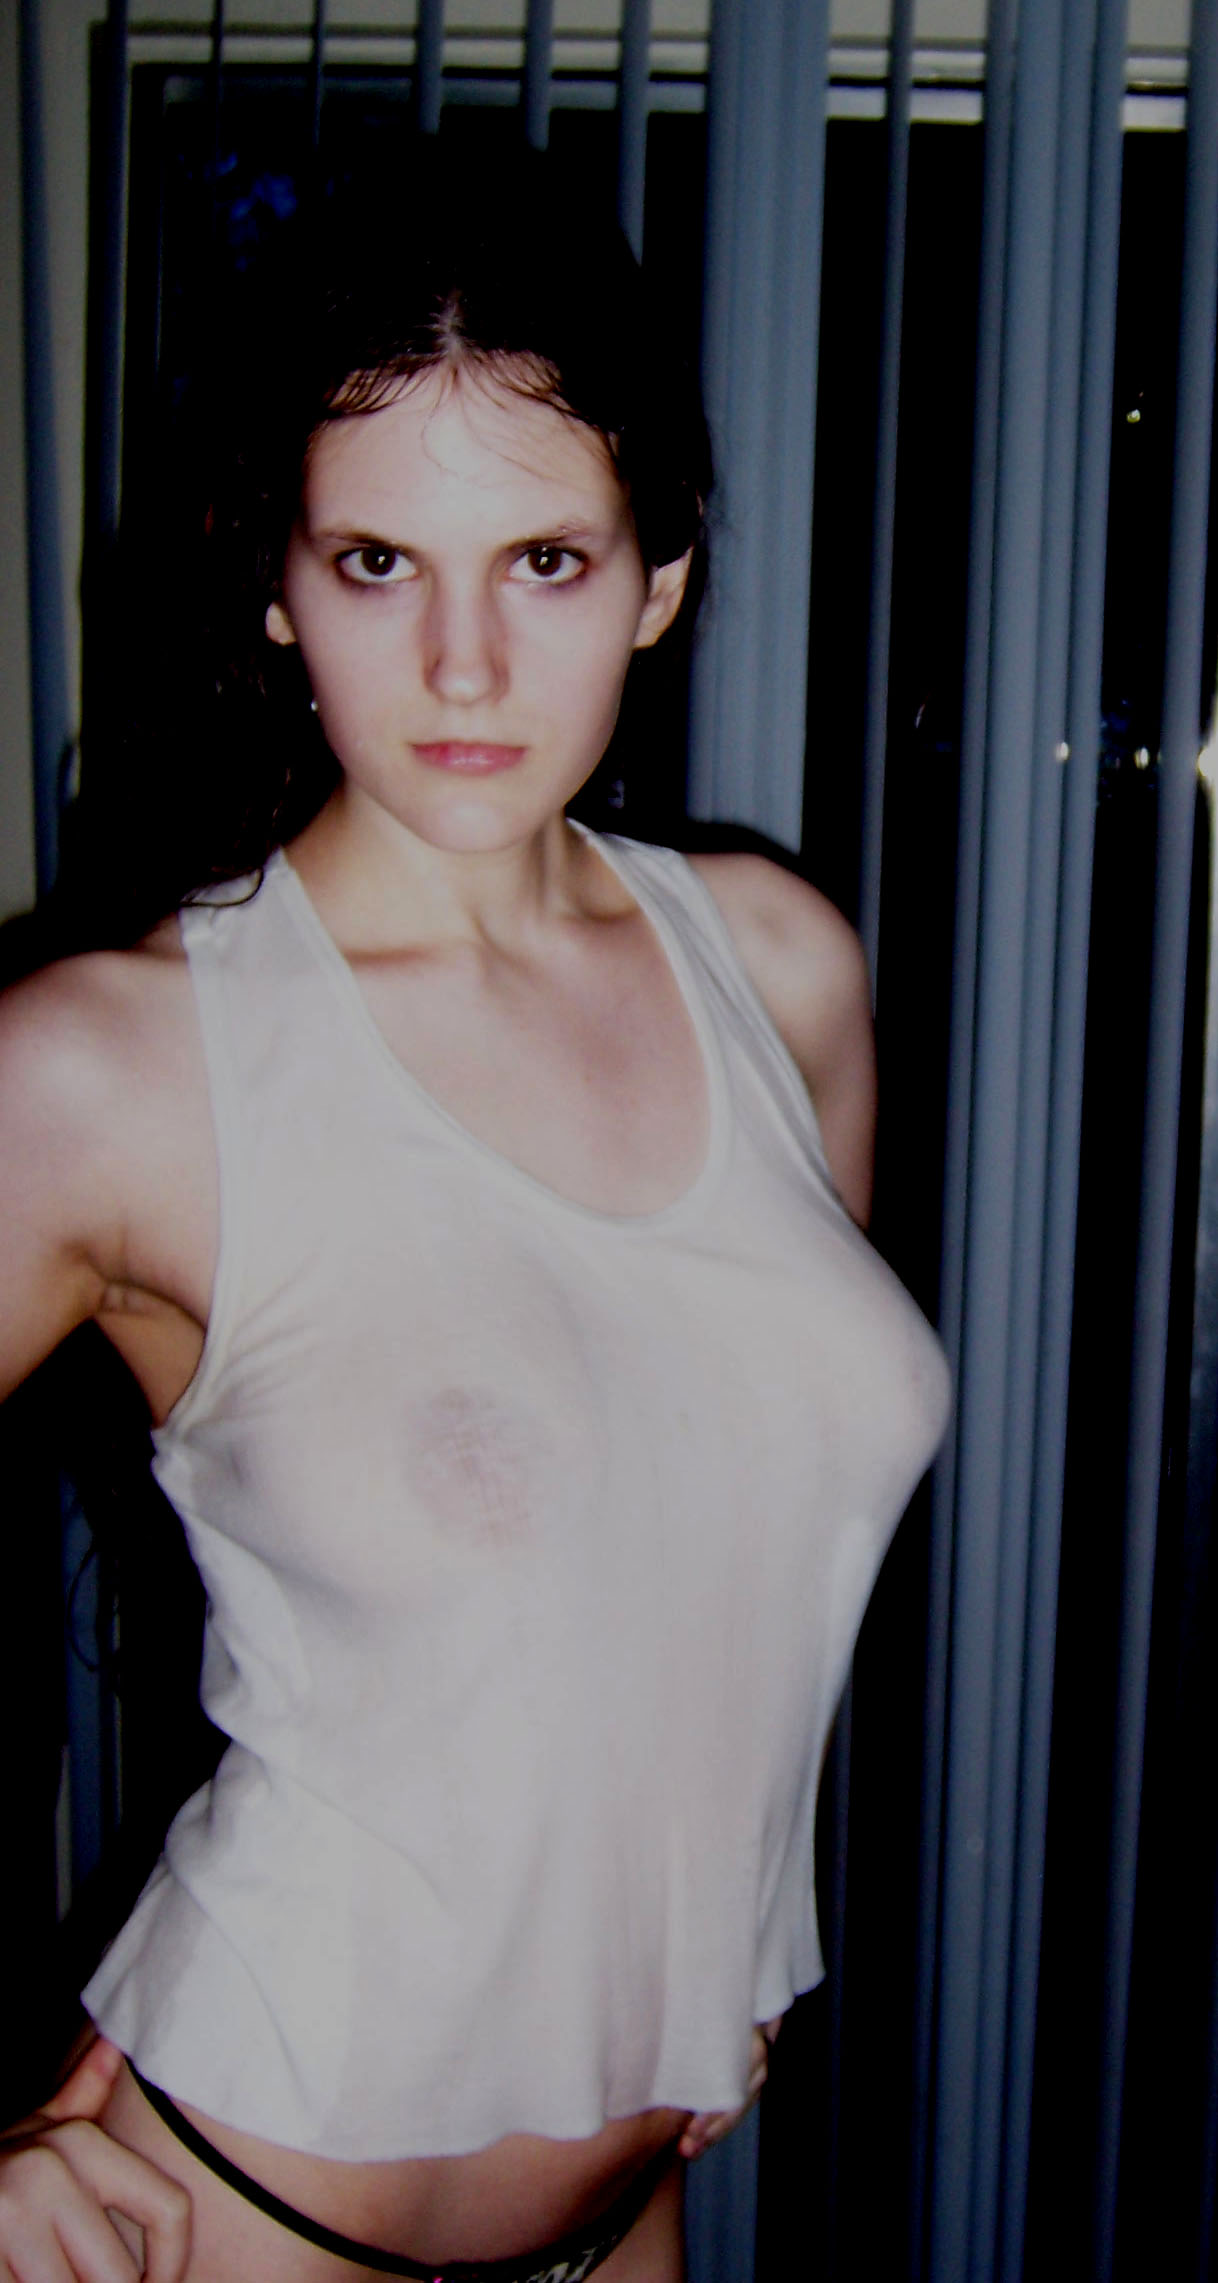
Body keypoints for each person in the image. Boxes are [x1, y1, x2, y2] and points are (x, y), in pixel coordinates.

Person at [0, 154, 949, 2283]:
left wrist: (711, 1938)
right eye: (373, 561)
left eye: (541, 559)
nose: (459, 660)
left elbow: (706, 1517)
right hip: (239, 2207)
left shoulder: (782, 966)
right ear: (275, 584)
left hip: (634, 2204)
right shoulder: (108, 1070)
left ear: (658, 578)